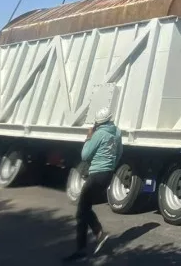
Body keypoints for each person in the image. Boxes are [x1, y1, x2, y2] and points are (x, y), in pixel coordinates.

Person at [63, 106, 123, 262]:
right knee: (85, 208)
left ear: (98, 122)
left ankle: (87, 245)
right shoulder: (117, 133)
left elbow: (85, 155)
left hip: (96, 175)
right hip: (108, 174)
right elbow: (119, 153)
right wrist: (111, 166)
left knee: (81, 211)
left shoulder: (99, 134)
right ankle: (97, 235)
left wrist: (89, 137)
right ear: (110, 119)